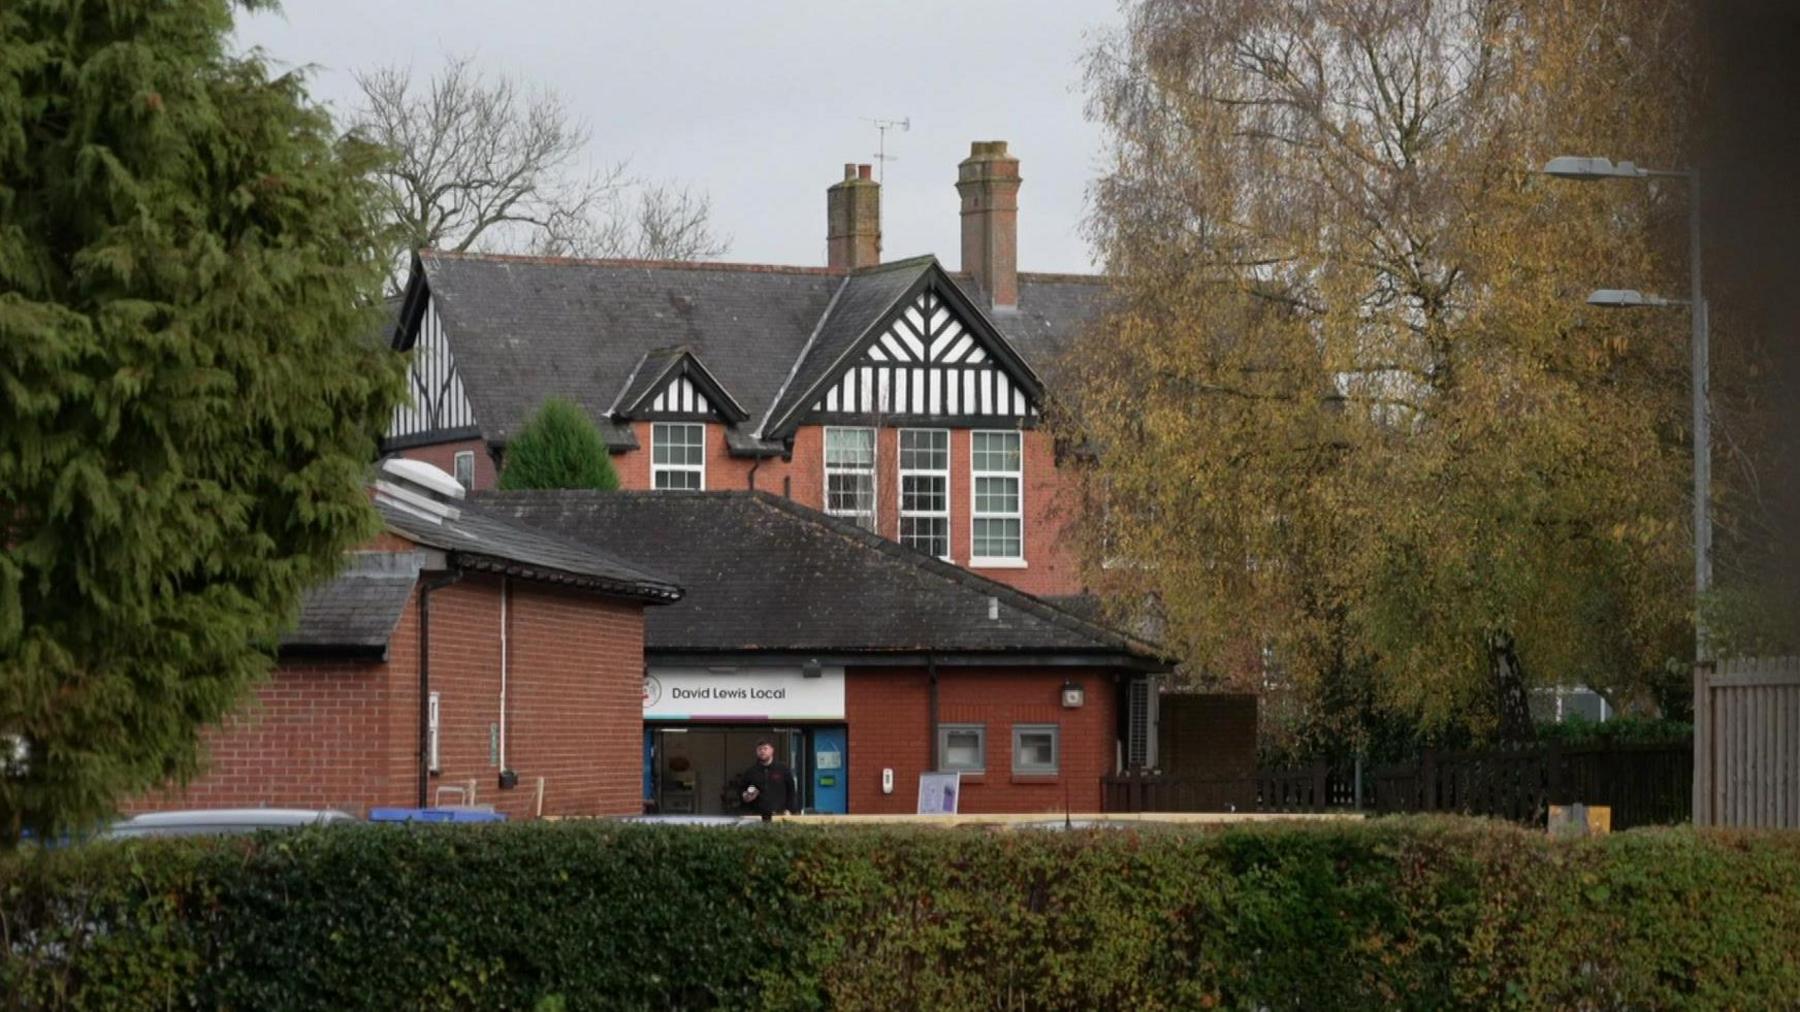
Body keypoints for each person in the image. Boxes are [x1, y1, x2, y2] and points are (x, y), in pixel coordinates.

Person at [728, 738, 802, 822]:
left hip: (779, 815)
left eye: (765, 748)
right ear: (756, 752)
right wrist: (745, 795)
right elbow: (742, 789)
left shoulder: (783, 769)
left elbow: (791, 791)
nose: (762, 751)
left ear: (772, 750)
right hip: (757, 816)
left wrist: (791, 810)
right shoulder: (751, 772)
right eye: (760, 749)